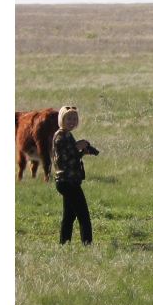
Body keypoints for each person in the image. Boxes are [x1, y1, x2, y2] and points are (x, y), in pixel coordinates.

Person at [52, 105, 94, 245]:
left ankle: (64, 244)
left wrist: (82, 152)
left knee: (69, 216)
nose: (72, 121)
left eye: (74, 118)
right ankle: (87, 245)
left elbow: (71, 156)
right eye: (68, 118)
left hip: (68, 181)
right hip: (67, 181)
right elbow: (64, 159)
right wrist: (78, 147)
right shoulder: (61, 135)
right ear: (62, 119)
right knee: (84, 216)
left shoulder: (66, 135)